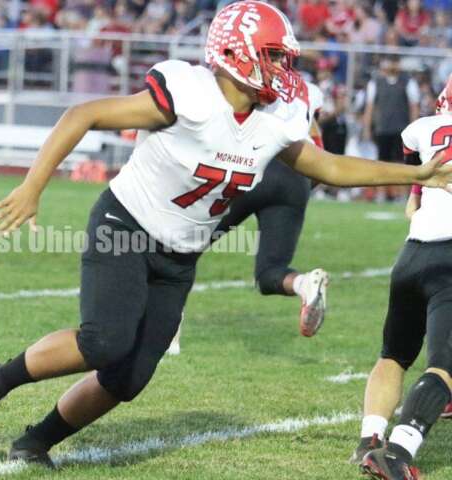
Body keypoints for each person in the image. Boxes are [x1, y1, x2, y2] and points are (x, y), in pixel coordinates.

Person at [0, 1, 452, 467]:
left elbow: (328, 166)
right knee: (105, 341)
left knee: (128, 378)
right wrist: (33, 186)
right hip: (126, 226)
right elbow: (86, 113)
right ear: (236, 51)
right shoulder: (189, 93)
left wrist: (416, 175)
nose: (282, 69)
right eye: (273, 56)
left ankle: (35, 441)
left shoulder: (275, 119)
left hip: (180, 255)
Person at [167, 80, 329, 356]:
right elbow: (317, 147)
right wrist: (298, 189)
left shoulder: (250, 78)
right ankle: (304, 284)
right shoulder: (307, 89)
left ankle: (168, 329)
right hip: (296, 176)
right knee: (270, 273)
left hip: (252, 165)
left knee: (183, 249)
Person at [353, 75, 452, 480]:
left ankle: (370, 438)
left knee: (393, 354)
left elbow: (412, 206)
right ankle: (397, 451)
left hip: (413, 253)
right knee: (443, 365)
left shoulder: (425, 129)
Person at [362, 55, 421, 202]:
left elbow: (414, 106)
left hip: (402, 128)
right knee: (382, 161)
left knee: (402, 163)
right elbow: (370, 107)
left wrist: (413, 128)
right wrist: (367, 128)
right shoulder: (375, 82)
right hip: (383, 128)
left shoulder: (407, 82)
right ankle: (381, 194)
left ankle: (402, 195)